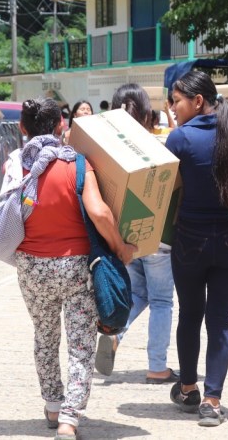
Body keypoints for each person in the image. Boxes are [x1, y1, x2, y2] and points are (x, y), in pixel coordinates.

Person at [13, 97, 136, 439]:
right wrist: (120, 247)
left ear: (23, 128)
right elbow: (99, 212)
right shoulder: (77, 164)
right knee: (80, 345)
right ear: (61, 127)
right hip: (75, 269)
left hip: (31, 267)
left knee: (44, 336)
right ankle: (69, 418)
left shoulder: (17, 164)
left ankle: (52, 406)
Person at [164, 70, 228, 427]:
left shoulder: (179, 140)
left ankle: (188, 388)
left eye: (177, 101)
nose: (173, 109)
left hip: (190, 241)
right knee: (220, 322)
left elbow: (169, 194)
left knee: (189, 315)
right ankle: (212, 400)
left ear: (198, 101)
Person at [94, 83, 178, 385]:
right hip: (159, 237)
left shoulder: (106, 145)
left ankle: (114, 333)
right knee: (161, 300)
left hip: (120, 236)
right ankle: (157, 366)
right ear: (147, 113)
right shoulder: (162, 142)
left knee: (137, 292)